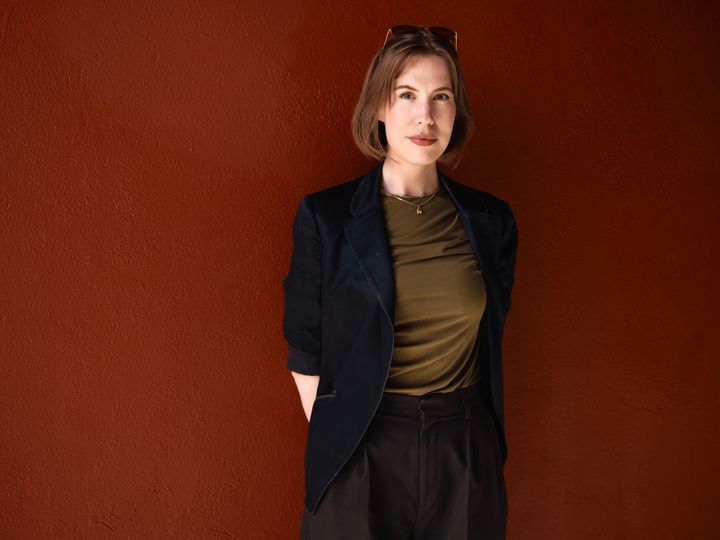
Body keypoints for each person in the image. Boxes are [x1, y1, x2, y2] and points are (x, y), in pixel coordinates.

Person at [283, 24, 518, 540]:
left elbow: (491, 334)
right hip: (361, 445)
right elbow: (304, 343)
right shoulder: (327, 218)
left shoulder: (491, 222)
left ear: (456, 113)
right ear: (378, 108)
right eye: (406, 94)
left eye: (441, 97)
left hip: (463, 446)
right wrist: (341, 436)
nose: (424, 116)